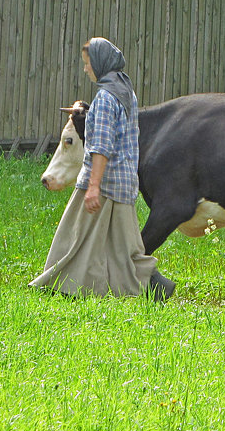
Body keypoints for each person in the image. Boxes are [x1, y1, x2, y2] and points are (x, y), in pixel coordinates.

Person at [30, 37, 175, 301]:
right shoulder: (124, 91)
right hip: (124, 182)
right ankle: (154, 286)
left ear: (100, 63)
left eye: (88, 64)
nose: (86, 69)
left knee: (74, 236)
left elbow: (102, 146)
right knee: (124, 248)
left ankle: (58, 285)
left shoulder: (106, 98)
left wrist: (94, 186)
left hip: (104, 182)